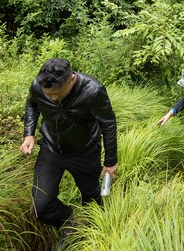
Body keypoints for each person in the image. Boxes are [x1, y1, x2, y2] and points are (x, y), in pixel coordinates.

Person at [20, 57, 118, 239]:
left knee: (92, 199)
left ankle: (93, 234)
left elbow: (109, 124)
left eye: (58, 93)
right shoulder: (37, 84)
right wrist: (29, 133)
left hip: (85, 151)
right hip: (51, 149)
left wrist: (110, 162)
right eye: (48, 94)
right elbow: (32, 104)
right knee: (40, 206)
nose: (54, 98)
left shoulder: (93, 91)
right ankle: (70, 222)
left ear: (72, 79)